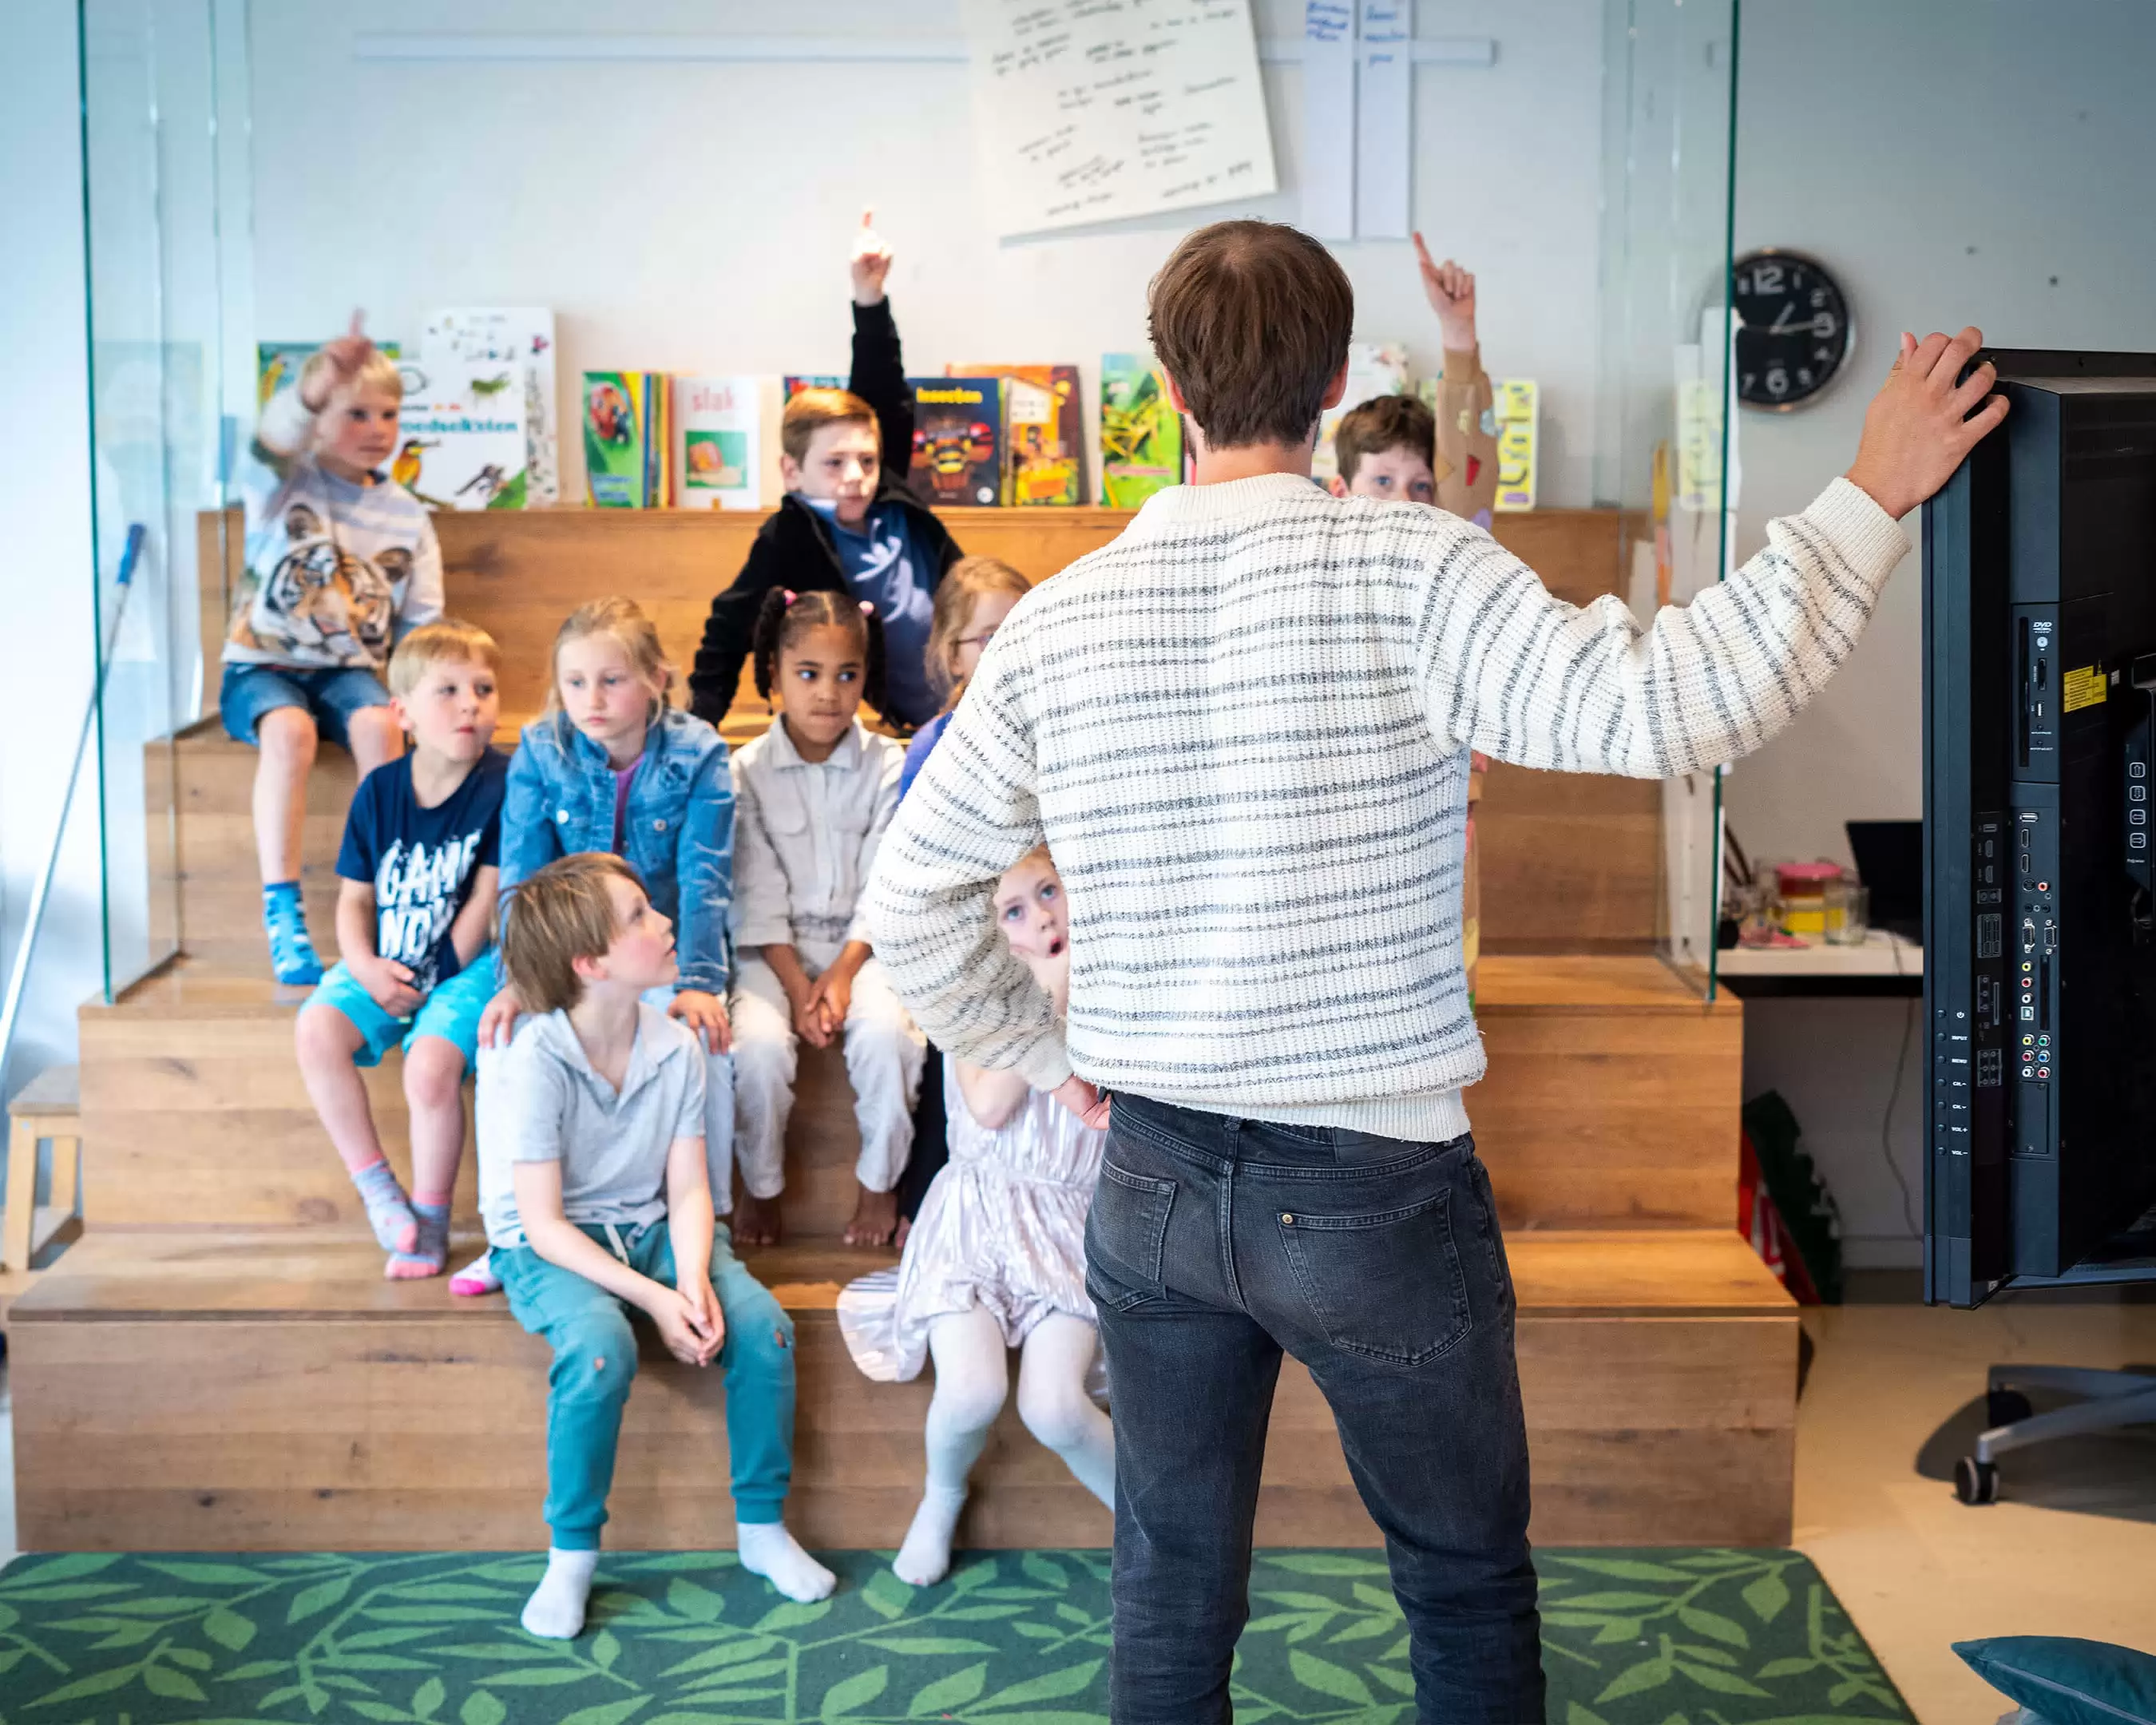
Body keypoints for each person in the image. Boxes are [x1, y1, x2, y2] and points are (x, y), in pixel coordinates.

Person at [866, 217, 2007, 1723]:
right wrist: (1868, 496)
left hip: (1145, 1180)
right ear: (1336, 380)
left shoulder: (1060, 622)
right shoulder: (1413, 569)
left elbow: (911, 894)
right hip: (1370, 1186)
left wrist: (1053, 1049)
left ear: (1165, 386)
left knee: (1168, 1592)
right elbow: (1674, 704)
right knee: (1461, 1586)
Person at [478, 852, 834, 1639]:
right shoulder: (536, 1060)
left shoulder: (675, 1046)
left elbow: (687, 1190)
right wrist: (654, 1299)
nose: (666, 921)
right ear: (589, 963)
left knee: (766, 1329)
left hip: (651, 1227)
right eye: (640, 915)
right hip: (549, 1246)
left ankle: (762, 1530)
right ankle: (570, 1554)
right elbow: (543, 1225)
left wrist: (696, 1282)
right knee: (602, 1346)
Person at [837, 847, 1113, 1586]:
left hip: (1067, 1227)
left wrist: (1077, 986)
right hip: (975, 1219)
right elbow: (990, 1106)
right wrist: (1049, 989)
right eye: (1014, 910)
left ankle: (1158, 1526)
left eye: (1049, 890)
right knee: (972, 1391)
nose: (1044, 915)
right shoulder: (976, 999)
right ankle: (943, 1495)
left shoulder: (1113, 990)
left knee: (1054, 1407)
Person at [451, 597, 734, 1300]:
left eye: (611, 680)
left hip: (655, 951)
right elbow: (521, 879)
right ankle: (510, 1235)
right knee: (501, 1041)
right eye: (574, 682)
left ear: (657, 679)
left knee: (706, 1040)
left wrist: (699, 981)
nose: (591, 700)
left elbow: (705, 878)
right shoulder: (542, 751)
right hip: (567, 959)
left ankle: (703, 1224)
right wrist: (518, 980)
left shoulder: (698, 752)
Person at [222, 314, 443, 984]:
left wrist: (415, 695)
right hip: (263, 668)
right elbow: (269, 444)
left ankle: (384, 898)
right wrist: (309, 393)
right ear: (318, 420)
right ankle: (282, 909)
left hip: (350, 672)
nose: (377, 428)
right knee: (288, 733)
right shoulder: (282, 486)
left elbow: (421, 623)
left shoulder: (408, 515)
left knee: (381, 723)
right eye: (355, 413)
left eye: (388, 413)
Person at [689, 211, 961, 734]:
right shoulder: (789, 536)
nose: (856, 475)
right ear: (792, 471)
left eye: (867, 460)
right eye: (834, 464)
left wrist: (870, 297)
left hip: (967, 702)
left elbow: (882, 392)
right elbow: (730, 625)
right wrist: (701, 725)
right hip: (897, 726)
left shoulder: (890, 496)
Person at [291, 621, 507, 1279]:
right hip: (384, 960)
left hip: (467, 969)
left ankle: (432, 1217)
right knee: (316, 1028)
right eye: (447, 690)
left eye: (484, 688)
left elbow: (487, 902)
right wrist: (363, 968)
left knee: (431, 1070)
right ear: (403, 713)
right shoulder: (380, 791)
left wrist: (433, 977)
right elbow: (353, 900)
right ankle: (378, 1189)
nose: (470, 704)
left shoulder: (507, 781)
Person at [729, 589, 921, 1249]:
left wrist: (841, 973)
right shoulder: (746, 771)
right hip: (770, 952)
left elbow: (887, 876)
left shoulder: (887, 766)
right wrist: (797, 986)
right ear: (773, 676)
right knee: (754, 1049)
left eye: (848, 675)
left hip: (864, 948)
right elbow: (755, 885)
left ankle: (878, 1183)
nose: (828, 694)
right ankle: (760, 1186)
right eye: (808, 674)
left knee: (888, 1037)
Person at [892, 557, 1035, 1243]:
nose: (1007, 647)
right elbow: (920, 873)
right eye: (988, 636)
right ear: (953, 654)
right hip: (967, 937)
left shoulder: (1047, 732)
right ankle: (944, 1210)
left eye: (1021, 629)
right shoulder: (934, 747)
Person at [1326, 238, 1500, 527]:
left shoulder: (1439, 550)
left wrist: (1457, 327)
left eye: (1421, 486)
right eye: (1383, 480)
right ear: (1341, 492)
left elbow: (1466, 465)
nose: (1404, 502)